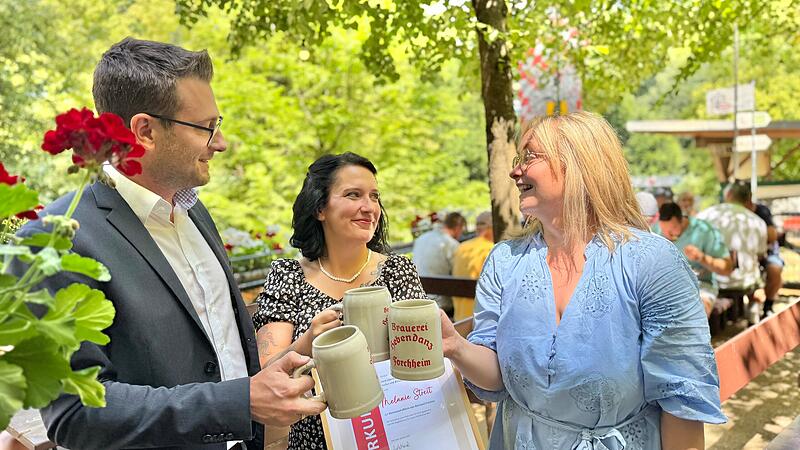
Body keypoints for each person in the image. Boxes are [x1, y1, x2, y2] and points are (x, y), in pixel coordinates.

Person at [15, 38, 324, 450]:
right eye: (207, 127)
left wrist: (270, 372)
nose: (221, 142)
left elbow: (216, 350)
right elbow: (76, 414)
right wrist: (238, 402)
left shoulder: (194, 210)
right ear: (145, 131)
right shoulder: (54, 242)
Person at [439, 112, 725, 449]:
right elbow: (496, 375)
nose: (515, 171)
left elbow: (682, 401)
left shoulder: (652, 261)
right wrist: (456, 347)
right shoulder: (504, 261)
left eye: (530, 157)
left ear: (580, 163)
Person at [252, 152, 428, 450]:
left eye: (374, 196)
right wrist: (309, 339)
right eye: (353, 195)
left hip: (397, 428)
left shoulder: (398, 269)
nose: (369, 207)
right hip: (317, 437)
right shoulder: (288, 276)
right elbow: (267, 373)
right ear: (320, 207)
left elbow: (422, 360)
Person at [697, 182, 768, 324]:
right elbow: (761, 254)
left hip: (709, 279)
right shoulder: (757, 221)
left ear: (728, 195)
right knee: (760, 273)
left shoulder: (704, 216)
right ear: (748, 200)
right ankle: (754, 305)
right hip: (744, 280)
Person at [653, 202, 733, 317]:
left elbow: (727, 268)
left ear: (682, 220)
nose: (667, 235)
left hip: (700, 287)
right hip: (666, 288)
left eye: (672, 230)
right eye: (663, 230)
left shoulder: (704, 231)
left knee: (696, 314)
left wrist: (702, 258)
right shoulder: (655, 230)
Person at [412, 211, 466, 318]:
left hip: (418, 297)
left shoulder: (421, 239)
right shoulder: (452, 244)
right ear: (458, 227)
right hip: (441, 305)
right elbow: (459, 273)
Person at [451, 211, 494, 320]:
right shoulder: (491, 250)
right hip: (480, 319)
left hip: (459, 316)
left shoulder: (461, 247)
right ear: (491, 227)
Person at [746, 199, 784, 317]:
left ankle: (768, 305)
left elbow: (772, 236)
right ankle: (752, 308)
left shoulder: (762, 211)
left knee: (775, 270)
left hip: (767, 252)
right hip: (748, 254)